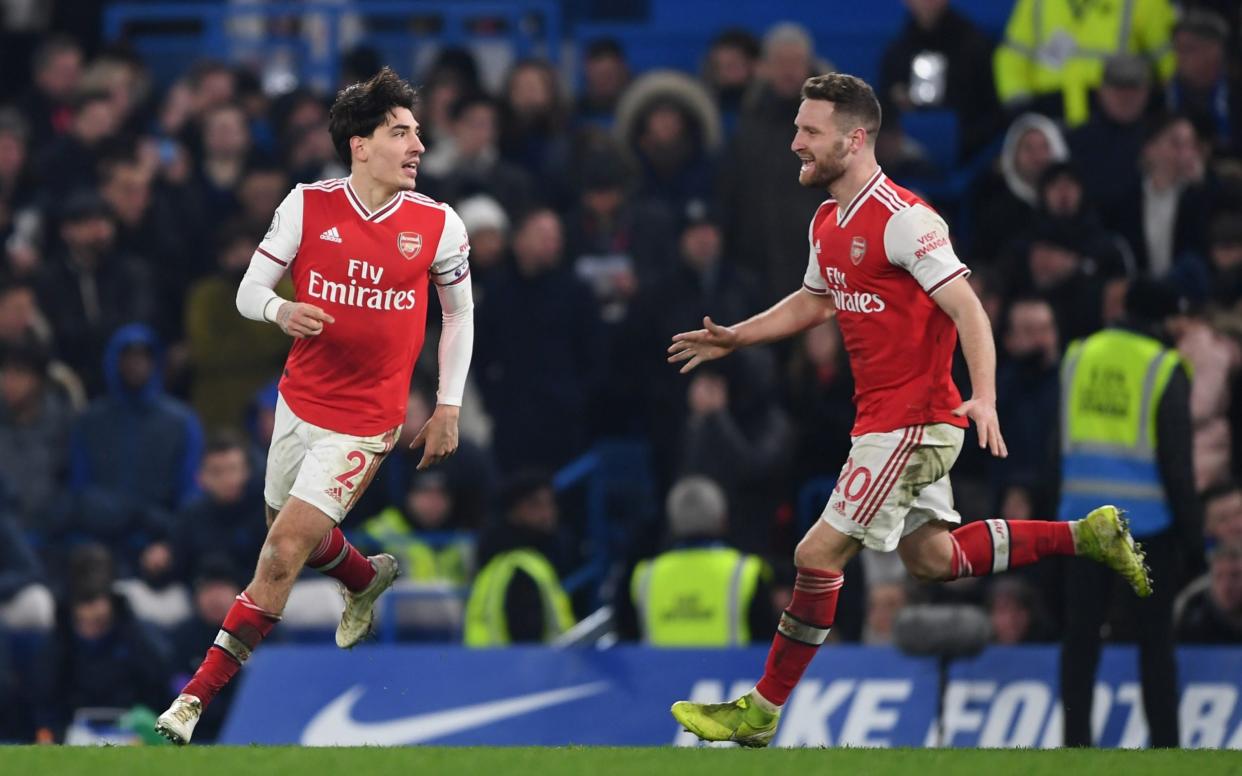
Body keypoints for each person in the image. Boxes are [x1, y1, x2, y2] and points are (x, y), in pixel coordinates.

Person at [666, 73, 1152, 747]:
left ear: (855, 138)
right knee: (931, 559)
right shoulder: (828, 220)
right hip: (884, 421)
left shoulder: (905, 220)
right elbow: (815, 301)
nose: (795, 143)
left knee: (817, 554)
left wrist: (983, 395)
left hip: (914, 421)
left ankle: (761, 710)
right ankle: (1087, 535)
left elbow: (969, 308)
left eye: (810, 132)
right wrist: (736, 336)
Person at [155, 67, 475, 745]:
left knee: (278, 555)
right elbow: (248, 290)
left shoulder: (439, 225)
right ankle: (363, 577)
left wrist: (447, 404)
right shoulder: (306, 207)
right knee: (295, 541)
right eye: (400, 132)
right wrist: (280, 308)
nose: (417, 145)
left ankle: (190, 702)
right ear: (360, 144)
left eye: (417, 132)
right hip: (298, 405)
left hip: (367, 421)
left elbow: (460, 315)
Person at [1057, 278, 1203, 748]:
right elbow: (1179, 466)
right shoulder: (1163, 368)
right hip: (1148, 527)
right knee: (1155, 643)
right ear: (1163, 318)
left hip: (1081, 521)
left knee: (1080, 640)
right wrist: (1193, 540)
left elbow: (1051, 445)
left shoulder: (1078, 356)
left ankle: (1075, 744)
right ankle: (1165, 746)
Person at [620, 476, 774, 646]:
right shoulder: (746, 570)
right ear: (723, 520)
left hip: (660, 672)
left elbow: (627, 635)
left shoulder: (644, 575)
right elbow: (766, 642)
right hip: (729, 672)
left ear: (672, 524)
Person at [464, 473, 575, 646]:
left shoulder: (500, 562)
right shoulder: (522, 568)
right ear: (514, 511)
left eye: (550, 504)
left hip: (492, 668)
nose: (547, 513)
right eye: (535, 505)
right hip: (523, 669)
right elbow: (527, 641)